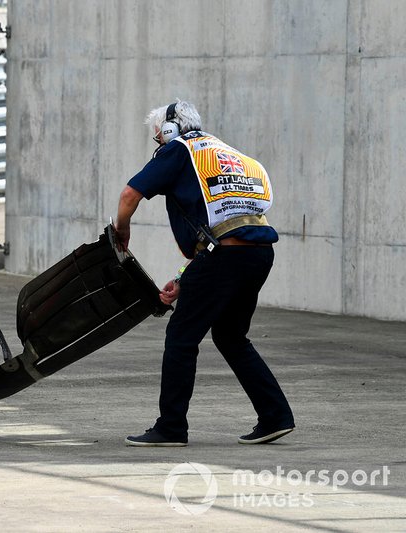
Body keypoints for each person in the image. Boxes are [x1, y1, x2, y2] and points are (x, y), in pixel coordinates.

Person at [114, 99, 295, 446]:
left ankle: (171, 428)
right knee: (230, 336)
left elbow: (129, 195)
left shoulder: (179, 150)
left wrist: (122, 231)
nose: (159, 144)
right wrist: (185, 279)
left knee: (181, 338)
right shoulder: (225, 153)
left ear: (168, 131)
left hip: (224, 258)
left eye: (158, 138)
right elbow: (225, 226)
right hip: (257, 254)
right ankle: (275, 416)